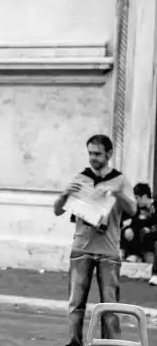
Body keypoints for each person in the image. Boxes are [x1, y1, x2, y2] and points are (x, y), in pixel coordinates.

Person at [54, 134, 136, 346]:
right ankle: (74, 342)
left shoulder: (120, 180)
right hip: (81, 248)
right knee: (75, 303)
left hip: (108, 251)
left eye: (97, 154)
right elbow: (57, 211)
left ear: (109, 154)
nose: (92, 158)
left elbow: (133, 210)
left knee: (110, 306)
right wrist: (64, 194)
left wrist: (118, 194)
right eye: (90, 153)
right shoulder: (80, 178)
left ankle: (110, 344)